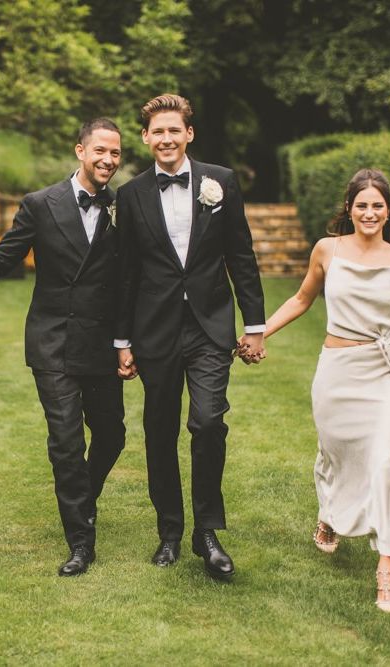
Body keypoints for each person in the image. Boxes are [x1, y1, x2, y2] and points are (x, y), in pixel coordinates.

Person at [0, 118, 126, 576]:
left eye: (115, 154)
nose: (108, 161)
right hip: (53, 341)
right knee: (67, 443)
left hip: (100, 342)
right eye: (100, 151)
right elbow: (1, 257)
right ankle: (80, 540)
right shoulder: (41, 204)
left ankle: (81, 498)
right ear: (80, 150)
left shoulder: (125, 207)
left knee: (112, 435)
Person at [261, 168, 390, 611]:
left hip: (386, 372)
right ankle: (330, 514)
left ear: (389, 210)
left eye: (378, 205)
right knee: (337, 453)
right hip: (337, 371)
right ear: (348, 209)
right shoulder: (327, 250)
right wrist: (261, 333)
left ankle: (386, 564)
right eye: (362, 205)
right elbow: (300, 299)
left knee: (383, 464)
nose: (370, 213)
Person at [115, 94, 265, 580]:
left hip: (209, 326)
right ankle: (168, 531)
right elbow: (125, 274)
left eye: (173, 131)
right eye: (157, 132)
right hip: (154, 329)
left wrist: (255, 325)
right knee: (159, 432)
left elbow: (240, 254)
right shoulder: (131, 194)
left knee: (207, 422)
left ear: (188, 134)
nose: (166, 139)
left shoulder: (220, 182)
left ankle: (207, 531)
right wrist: (122, 340)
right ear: (145, 137)